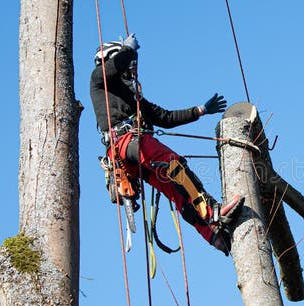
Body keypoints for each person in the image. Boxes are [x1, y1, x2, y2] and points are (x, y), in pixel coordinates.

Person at [90, 33, 244, 254]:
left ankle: (212, 234)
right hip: (127, 142)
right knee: (174, 165)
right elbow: (115, 65)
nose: (131, 69)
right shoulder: (99, 79)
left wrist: (199, 110)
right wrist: (128, 49)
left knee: (175, 189)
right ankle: (212, 211)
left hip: (131, 153)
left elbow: (164, 117)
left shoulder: (132, 97)